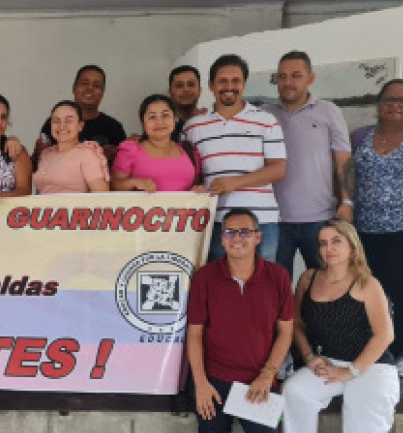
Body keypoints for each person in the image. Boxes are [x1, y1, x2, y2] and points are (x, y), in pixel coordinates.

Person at [187, 209, 293, 433]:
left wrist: (268, 374)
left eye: (245, 232)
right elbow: (195, 335)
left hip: (258, 385)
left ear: (259, 237)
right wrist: (199, 383)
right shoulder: (205, 278)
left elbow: (285, 332)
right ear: (222, 238)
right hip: (213, 382)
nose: (237, 239)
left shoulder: (278, 277)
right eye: (230, 232)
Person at [282, 220, 396, 433]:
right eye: (322, 242)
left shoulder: (367, 284)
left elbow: (384, 336)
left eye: (336, 241)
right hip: (329, 361)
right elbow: (297, 324)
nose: (328, 248)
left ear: (351, 246)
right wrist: (310, 357)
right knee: (294, 391)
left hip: (372, 366)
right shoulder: (308, 279)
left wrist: (352, 370)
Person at [347, 79, 403, 379]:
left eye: (402, 100)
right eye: (388, 100)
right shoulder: (360, 137)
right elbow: (348, 174)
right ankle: (376, 349)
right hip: (365, 229)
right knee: (371, 291)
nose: (394, 106)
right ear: (378, 104)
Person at [182, 54, 286, 264]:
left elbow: (278, 169)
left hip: (261, 222)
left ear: (244, 84)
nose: (229, 86)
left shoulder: (266, 121)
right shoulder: (193, 127)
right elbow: (186, 173)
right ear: (211, 86)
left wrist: (235, 182)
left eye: (235, 81)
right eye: (222, 81)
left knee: (263, 289)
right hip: (214, 221)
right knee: (220, 288)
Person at [262, 51, 352, 276]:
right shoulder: (264, 115)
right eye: (282, 76)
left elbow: (344, 162)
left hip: (320, 219)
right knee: (277, 289)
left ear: (310, 78)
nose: (287, 82)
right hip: (274, 220)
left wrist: (348, 202)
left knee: (324, 284)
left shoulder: (329, 112)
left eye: (296, 76)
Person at [34, 65, 126, 166]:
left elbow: (126, 168)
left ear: (103, 92)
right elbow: (37, 166)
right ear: (74, 88)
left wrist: (117, 156)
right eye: (84, 83)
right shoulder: (54, 123)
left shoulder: (114, 127)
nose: (90, 88)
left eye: (96, 85)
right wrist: (38, 153)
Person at [111, 94, 201, 194]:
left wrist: (199, 189)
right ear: (142, 123)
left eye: (165, 115)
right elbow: (114, 186)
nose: (159, 122)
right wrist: (134, 183)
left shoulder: (189, 150)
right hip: (144, 209)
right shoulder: (130, 150)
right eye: (152, 117)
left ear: (174, 119)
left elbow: (197, 185)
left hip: (185, 209)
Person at [32, 101, 110, 194]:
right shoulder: (46, 154)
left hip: (75, 208)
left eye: (68, 120)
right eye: (56, 120)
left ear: (80, 126)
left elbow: (102, 197)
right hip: (44, 208)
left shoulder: (87, 154)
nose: (61, 126)